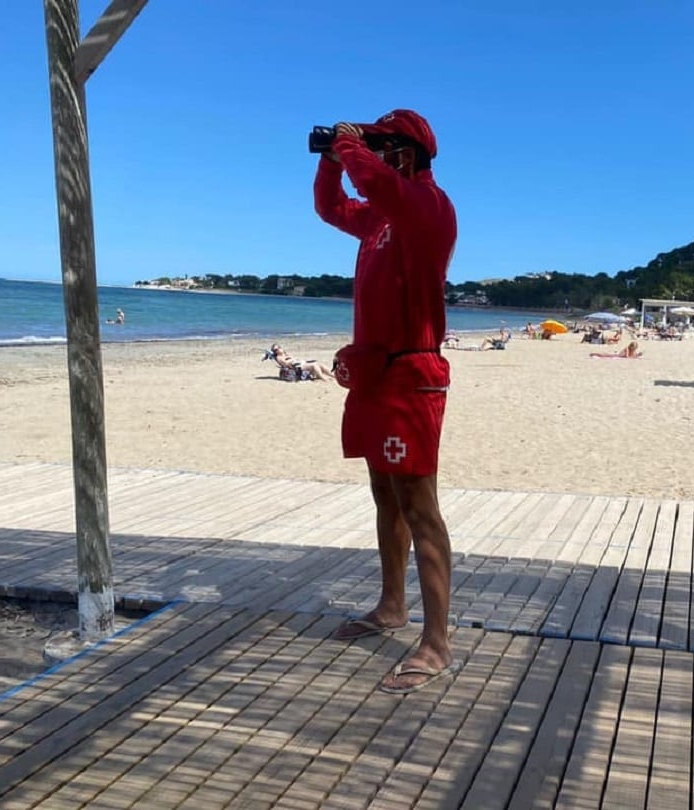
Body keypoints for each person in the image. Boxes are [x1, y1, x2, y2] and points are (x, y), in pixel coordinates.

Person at [314, 109, 458, 694]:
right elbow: (332, 208)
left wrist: (351, 148)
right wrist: (331, 161)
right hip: (375, 373)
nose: (371, 152)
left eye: (381, 144)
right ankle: (392, 606)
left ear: (409, 152)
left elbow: (373, 181)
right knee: (383, 493)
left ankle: (437, 642)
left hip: (411, 373)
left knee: (418, 502)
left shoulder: (427, 205)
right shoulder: (380, 220)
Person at [267, 343, 334, 382]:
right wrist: (292, 360)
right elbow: (286, 364)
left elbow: (293, 359)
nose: (277, 350)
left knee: (320, 364)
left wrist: (296, 360)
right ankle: (322, 378)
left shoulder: (285, 354)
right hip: (296, 367)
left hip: (299, 363)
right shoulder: (279, 357)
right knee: (314, 365)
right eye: (275, 350)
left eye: (278, 348)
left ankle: (333, 376)